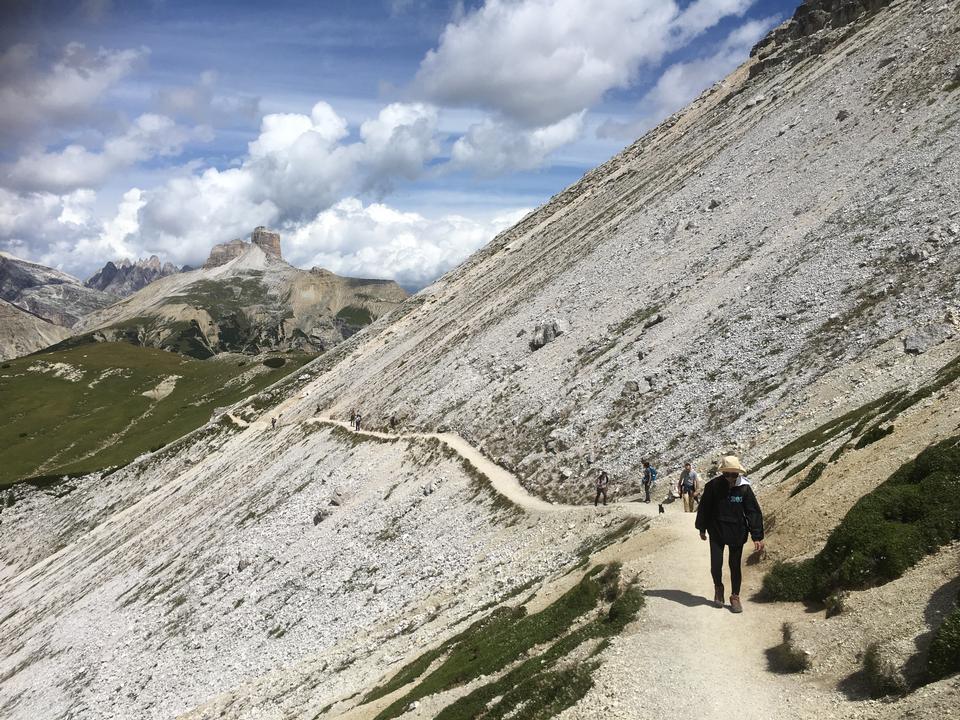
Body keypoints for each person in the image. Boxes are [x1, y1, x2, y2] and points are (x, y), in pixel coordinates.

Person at [695, 455, 765, 613]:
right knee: (716, 564)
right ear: (722, 473)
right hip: (717, 530)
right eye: (727, 474)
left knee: (735, 566)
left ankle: (735, 596)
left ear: (738, 473)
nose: (730, 478)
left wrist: (757, 536)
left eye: (734, 474)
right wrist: (701, 528)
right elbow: (705, 508)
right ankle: (718, 588)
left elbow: (753, 512)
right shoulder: (712, 486)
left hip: (737, 532)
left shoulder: (745, 488)